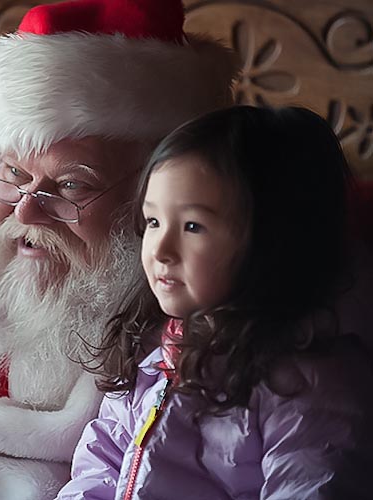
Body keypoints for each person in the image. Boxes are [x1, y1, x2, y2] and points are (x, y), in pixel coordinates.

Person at [0, 0, 240, 498]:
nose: (25, 212)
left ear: (154, 193)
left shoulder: (216, 272)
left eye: (69, 186)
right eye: (12, 175)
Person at [55, 105, 373, 499]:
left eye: (193, 226)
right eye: (153, 222)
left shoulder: (308, 381)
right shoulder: (157, 345)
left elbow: (312, 485)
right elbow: (103, 459)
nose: (161, 250)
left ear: (273, 241)